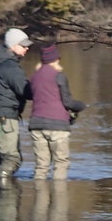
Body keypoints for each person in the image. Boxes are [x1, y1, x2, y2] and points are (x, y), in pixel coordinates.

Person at [0, 28, 33, 184]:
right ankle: (4, 193)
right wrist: (44, 89)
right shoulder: (10, 67)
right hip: (5, 118)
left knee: (1, 158)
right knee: (12, 158)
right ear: (13, 46)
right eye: (23, 45)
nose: (27, 48)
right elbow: (26, 91)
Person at [28, 44, 86, 180]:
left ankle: (40, 198)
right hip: (57, 126)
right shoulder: (59, 76)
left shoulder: (34, 77)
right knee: (60, 163)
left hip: (36, 125)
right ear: (55, 60)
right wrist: (81, 106)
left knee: (41, 165)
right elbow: (68, 102)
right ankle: (60, 197)